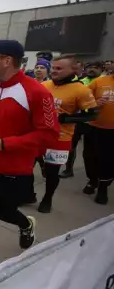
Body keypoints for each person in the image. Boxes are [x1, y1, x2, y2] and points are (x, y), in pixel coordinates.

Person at [0, 40, 59, 266]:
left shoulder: (36, 92)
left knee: (5, 212)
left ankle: (26, 224)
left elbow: (49, 134)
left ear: (7, 61)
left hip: (14, 166)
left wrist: (5, 144)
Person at [38, 56, 97, 212]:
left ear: (73, 69)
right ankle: (27, 194)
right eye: (53, 67)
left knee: (52, 172)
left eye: (59, 69)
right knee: (27, 167)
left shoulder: (81, 89)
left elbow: (91, 115)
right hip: (38, 135)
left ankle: (47, 198)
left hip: (60, 138)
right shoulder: (44, 85)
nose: (54, 71)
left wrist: (65, 118)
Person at [60, 60, 104, 178]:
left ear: (101, 70)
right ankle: (68, 169)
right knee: (71, 146)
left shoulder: (103, 82)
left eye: (95, 67)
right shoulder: (80, 82)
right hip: (79, 120)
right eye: (89, 67)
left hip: (96, 122)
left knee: (91, 152)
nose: (91, 70)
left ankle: (96, 176)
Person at [84, 73, 114, 204]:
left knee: (107, 159)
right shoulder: (99, 81)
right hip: (94, 126)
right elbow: (85, 99)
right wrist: (95, 103)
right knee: (89, 156)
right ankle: (92, 180)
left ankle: (103, 187)